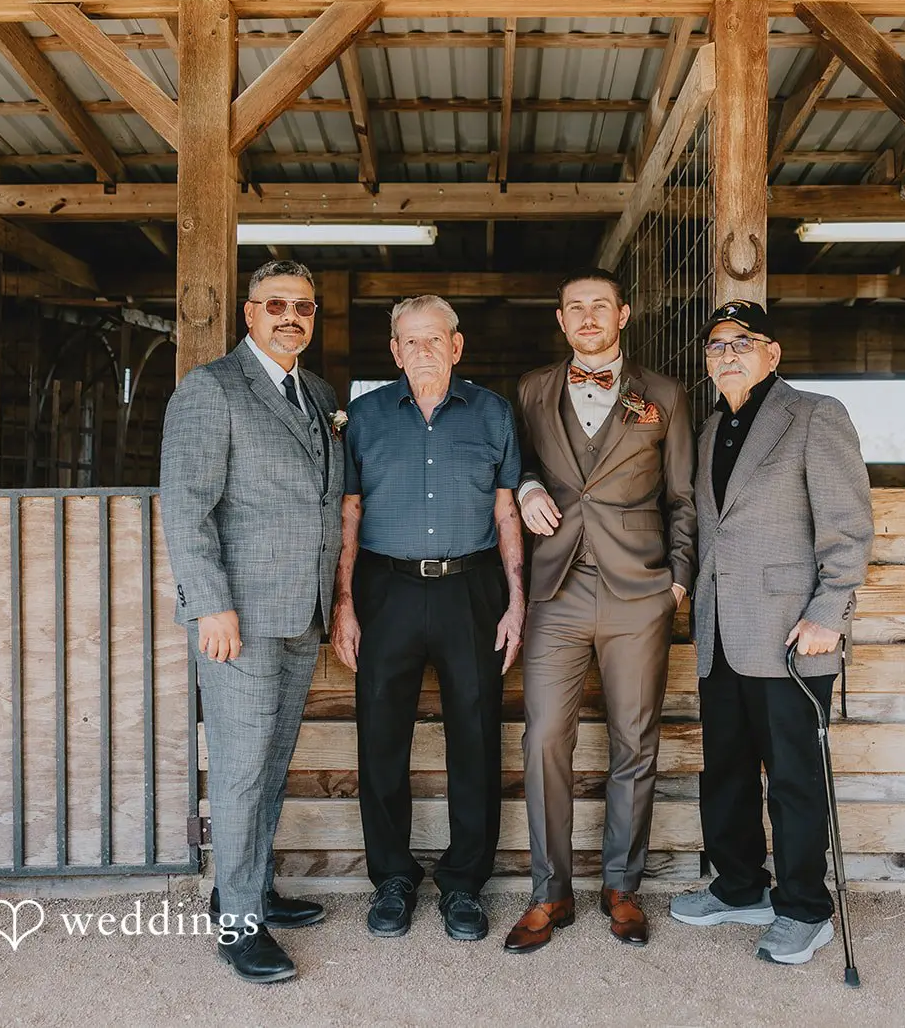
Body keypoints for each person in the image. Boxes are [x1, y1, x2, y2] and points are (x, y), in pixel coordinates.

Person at [667, 299, 873, 967]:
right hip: (722, 629)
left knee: (792, 777)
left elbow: (847, 524)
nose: (727, 353)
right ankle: (739, 886)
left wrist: (829, 611)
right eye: (716, 345)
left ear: (773, 352)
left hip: (792, 632)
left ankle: (806, 909)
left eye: (742, 341)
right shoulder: (707, 430)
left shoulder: (815, 416)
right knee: (724, 771)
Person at [159, 260, 343, 985]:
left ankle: (250, 886)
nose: (289, 316)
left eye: (302, 305)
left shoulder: (320, 393)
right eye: (275, 305)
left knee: (269, 763)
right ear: (248, 312)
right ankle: (239, 924)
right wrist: (210, 603)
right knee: (239, 770)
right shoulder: (210, 390)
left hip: (302, 611)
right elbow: (186, 506)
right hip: (238, 616)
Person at [504, 268, 695, 953]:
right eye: (574, 307)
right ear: (561, 320)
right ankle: (548, 892)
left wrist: (677, 582)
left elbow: (683, 498)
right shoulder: (530, 390)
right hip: (556, 590)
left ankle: (622, 885)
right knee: (544, 739)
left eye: (599, 306)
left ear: (624, 313)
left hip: (638, 591)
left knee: (634, 741)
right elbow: (516, 460)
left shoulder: (665, 396)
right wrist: (525, 486)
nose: (587, 317)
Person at [331, 295, 526, 943]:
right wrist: (345, 603)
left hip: (472, 589)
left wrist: (517, 602)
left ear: (456, 345)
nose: (421, 351)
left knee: (475, 738)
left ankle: (465, 884)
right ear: (393, 350)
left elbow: (506, 514)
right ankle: (391, 877)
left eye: (433, 339)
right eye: (409, 341)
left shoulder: (494, 414)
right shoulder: (364, 417)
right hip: (385, 589)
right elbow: (349, 513)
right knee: (381, 738)